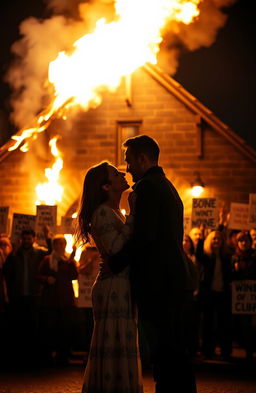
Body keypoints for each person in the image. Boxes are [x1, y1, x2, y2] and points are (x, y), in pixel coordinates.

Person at [108, 135, 197, 393]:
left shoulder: (147, 187)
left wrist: (115, 262)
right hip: (172, 282)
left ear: (143, 159)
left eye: (129, 161)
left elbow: (144, 237)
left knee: (165, 355)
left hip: (158, 285)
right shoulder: (167, 186)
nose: (127, 169)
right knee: (177, 353)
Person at [77, 161, 143, 393]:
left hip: (120, 283)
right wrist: (133, 215)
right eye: (116, 173)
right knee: (114, 342)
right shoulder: (103, 212)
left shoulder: (114, 211)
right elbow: (116, 249)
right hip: (113, 286)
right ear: (106, 186)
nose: (122, 173)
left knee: (121, 341)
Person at [3, 227, 52, 366]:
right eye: (24, 239)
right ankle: (20, 358)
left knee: (33, 327)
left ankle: (32, 359)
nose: (26, 241)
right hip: (18, 297)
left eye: (29, 239)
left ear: (34, 239)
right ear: (21, 239)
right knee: (19, 327)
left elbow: (52, 254)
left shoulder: (40, 253)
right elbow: (6, 272)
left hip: (34, 295)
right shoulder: (14, 255)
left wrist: (48, 238)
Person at [38, 235, 78, 366]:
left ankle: (63, 357)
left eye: (62, 244)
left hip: (66, 301)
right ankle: (48, 356)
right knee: (50, 329)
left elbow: (74, 276)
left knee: (65, 329)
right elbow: (38, 275)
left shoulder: (68, 260)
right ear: (54, 246)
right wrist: (46, 279)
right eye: (57, 244)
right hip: (50, 301)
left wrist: (72, 261)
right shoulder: (47, 260)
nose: (60, 246)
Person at [196, 230, 232, 360]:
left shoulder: (226, 257)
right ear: (210, 241)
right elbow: (198, 254)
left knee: (224, 324)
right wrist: (200, 238)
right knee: (208, 323)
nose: (216, 241)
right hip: (209, 294)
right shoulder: (207, 257)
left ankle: (225, 351)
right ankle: (208, 350)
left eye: (219, 239)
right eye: (214, 239)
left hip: (223, 294)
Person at [231, 230, 256, 360]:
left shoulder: (254, 255)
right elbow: (230, 276)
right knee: (245, 325)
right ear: (238, 243)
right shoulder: (234, 257)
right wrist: (235, 270)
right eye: (241, 241)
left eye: (246, 240)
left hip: (251, 295)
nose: (244, 243)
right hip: (241, 297)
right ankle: (248, 350)